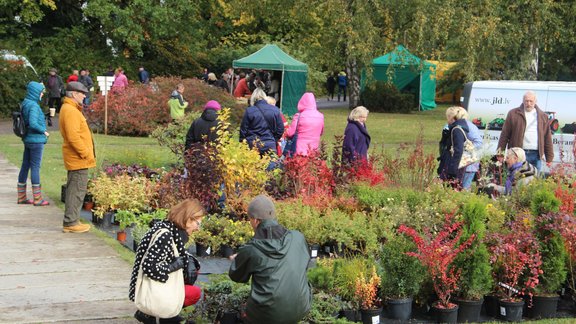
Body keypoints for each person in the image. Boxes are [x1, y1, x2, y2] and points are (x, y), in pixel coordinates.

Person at [229, 195, 312, 324]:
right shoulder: (298, 238)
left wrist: (238, 259)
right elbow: (304, 264)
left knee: (246, 312)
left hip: (266, 316)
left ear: (256, 221)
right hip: (301, 307)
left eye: (249, 219)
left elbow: (237, 276)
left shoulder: (251, 248)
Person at [130, 198, 205, 324]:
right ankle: (159, 315)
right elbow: (149, 267)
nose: (198, 228)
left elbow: (169, 254)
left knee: (193, 272)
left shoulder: (170, 228)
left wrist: (189, 262)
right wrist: (174, 266)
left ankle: (161, 316)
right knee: (194, 293)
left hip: (154, 285)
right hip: (151, 289)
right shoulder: (166, 235)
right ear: (188, 219)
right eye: (198, 223)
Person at [59, 81, 94, 233]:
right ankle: (71, 223)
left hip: (77, 158)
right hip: (78, 159)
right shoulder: (71, 111)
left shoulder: (71, 109)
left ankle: (72, 220)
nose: (84, 95)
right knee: (76, 190)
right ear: (73, 94)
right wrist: (85, 153)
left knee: (76, 189)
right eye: (82, 93)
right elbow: (73, 137)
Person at [497, 91, 553, 172]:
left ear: (535, 101)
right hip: (517, 154)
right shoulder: (513, 114)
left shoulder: (543, 116)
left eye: (531, 101)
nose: (529, 103)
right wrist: (500, 153)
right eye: (526, 101)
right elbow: (504, 135)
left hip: (536, 154)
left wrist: (549, 157)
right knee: (515, 179)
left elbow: (547, 137)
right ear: (523, 101)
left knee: (534, 181)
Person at [17, 81, 50, 206]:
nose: (42, 94)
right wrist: (44, 131)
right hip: (36, 140)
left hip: (28, 139)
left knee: (25, 166)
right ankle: (37, 199)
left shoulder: (26, 103)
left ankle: (21, 197)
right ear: (36, 92)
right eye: (41, 92)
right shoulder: (34, 106)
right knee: (35, 167)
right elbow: (33, 123)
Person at [239, 88, 284, 156]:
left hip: (253, 145)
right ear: (264, 97)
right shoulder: (275, 110)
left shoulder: (249, 111)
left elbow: (243, 130)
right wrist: (274, 139)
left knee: (254, 166)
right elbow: (280, 129)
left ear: (253, 99)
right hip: (270, 144)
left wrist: (243, 143)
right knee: (270, 165)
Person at [437, 106, 470, 187]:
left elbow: (458, 151)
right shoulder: (457, 128)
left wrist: (452, 171)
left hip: (452, 165)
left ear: (452, 118)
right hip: (452, 164)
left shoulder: (456, 130)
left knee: (449, 188)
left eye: (448, 117)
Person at [457, 107, 483, 190]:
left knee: (464, 189)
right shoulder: (454, 125)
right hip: (458, 164)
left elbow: (478, 143)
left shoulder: (470, 127)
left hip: (469, 165)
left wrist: (464, 149)